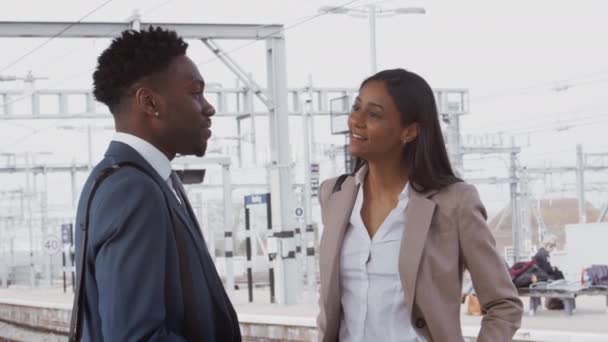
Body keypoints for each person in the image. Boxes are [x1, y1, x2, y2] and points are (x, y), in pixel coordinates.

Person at [316, 69, 523, 342]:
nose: (356, 120)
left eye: (374, 114)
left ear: (409, 131)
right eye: (356, 107)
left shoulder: (454, 202)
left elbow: (504, 304)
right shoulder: (335, 195)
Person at [73, 26, 240, 341]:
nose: (208, 107)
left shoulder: (150, 179)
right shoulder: (132, 189)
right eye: (195, 92)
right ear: (150, 103)